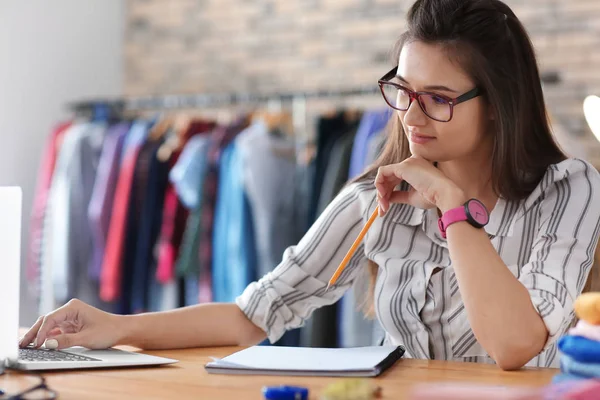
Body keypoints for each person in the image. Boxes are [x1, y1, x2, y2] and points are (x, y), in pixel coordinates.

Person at [20, 0, 600, 370]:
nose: (411, 116)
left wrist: (452, 207)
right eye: (402, 90)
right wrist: (118, 327)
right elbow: (256, 314)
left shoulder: (567, 191)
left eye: (439, 100)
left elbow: (515, 345)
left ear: (498, 105)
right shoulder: (378, 199)